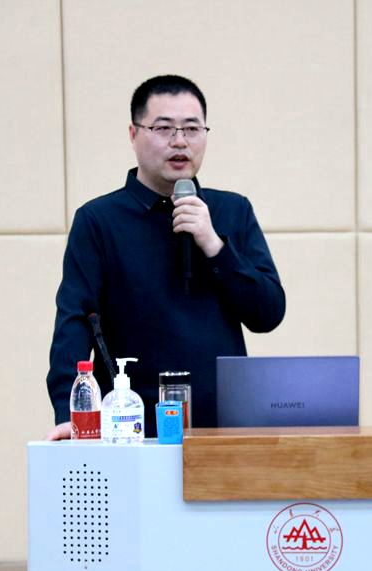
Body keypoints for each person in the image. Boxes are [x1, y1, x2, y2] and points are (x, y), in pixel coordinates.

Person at [45, 75, 285, 440]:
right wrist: (71, 413)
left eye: (192, 128)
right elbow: (74, 321)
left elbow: (268, 313)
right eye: (163, 128)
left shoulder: (232, 211)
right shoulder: (99, 220)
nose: (180, 141)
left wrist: (214, 245)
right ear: (133, 134)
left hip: (223, 428)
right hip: (130, 425)